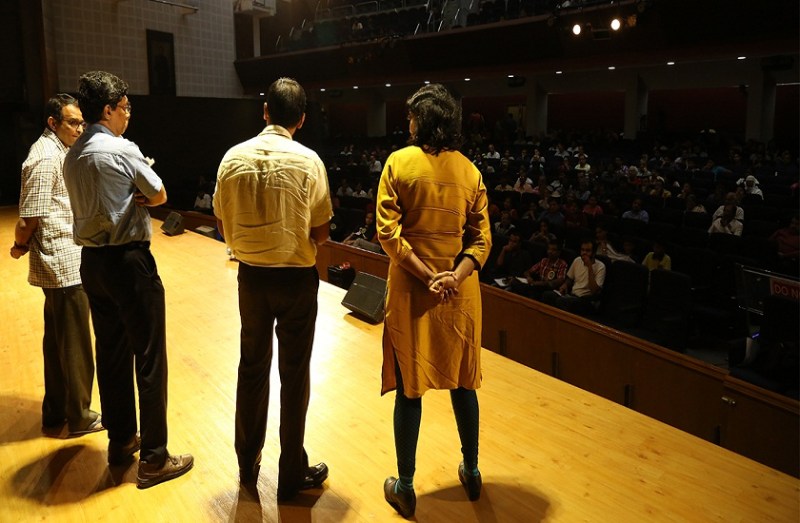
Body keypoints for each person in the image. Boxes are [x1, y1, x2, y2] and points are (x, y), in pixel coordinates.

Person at [62, 71, 193, 488]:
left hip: (92, 265)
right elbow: (158, 193)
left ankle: (120, 442)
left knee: (112, 355)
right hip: (129, 262)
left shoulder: (73, 154)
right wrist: (140, 195)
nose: (128, 114)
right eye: (125, 107)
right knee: (150, 356)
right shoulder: (120, 149)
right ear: (108, 109)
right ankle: (155, 458)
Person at [376, 84, 491, 518]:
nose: (406, 126)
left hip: (412, 291)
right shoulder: (471, 172)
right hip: (461, 296)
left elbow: (388, 233)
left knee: (410, 387)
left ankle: (405, 487)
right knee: (465, 381)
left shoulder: (397, 163)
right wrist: (454, 275)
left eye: (410, 118)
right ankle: (474, 472)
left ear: (421, 121)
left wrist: (427, 276)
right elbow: (482, 238)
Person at [214, 77, 331, 500]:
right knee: (294, 376)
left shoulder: (231, 158)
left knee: (252, 367)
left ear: (264, 111)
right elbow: (322, 231)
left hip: (251, 279)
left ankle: (247, 464)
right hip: (296, 280)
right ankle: (291, 474)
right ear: (301, 119)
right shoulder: (310, 161)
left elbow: (223, 223)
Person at [10, 94, 103, 437]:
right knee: (76, 343)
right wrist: (20, 246)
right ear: (53, 123)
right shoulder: (46, 157)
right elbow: (28, 218)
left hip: (64, 260)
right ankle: (79, 415)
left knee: (59, 343)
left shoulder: (57, 151)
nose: (80, 128)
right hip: (62, 263)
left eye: (82, 122)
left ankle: (55, 412)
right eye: (73, 123)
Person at [542, 240, 606, 315]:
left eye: (588, 251)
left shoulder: (601, 266)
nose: (584, 253)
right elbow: (570, 279)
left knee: (562, 302)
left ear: (594, 253)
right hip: (572, 295)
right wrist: (565, 285)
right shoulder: (577, 260)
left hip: (587, 300)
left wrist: (589, 267)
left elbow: (594, 290)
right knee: (547, 295)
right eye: (582, 250)